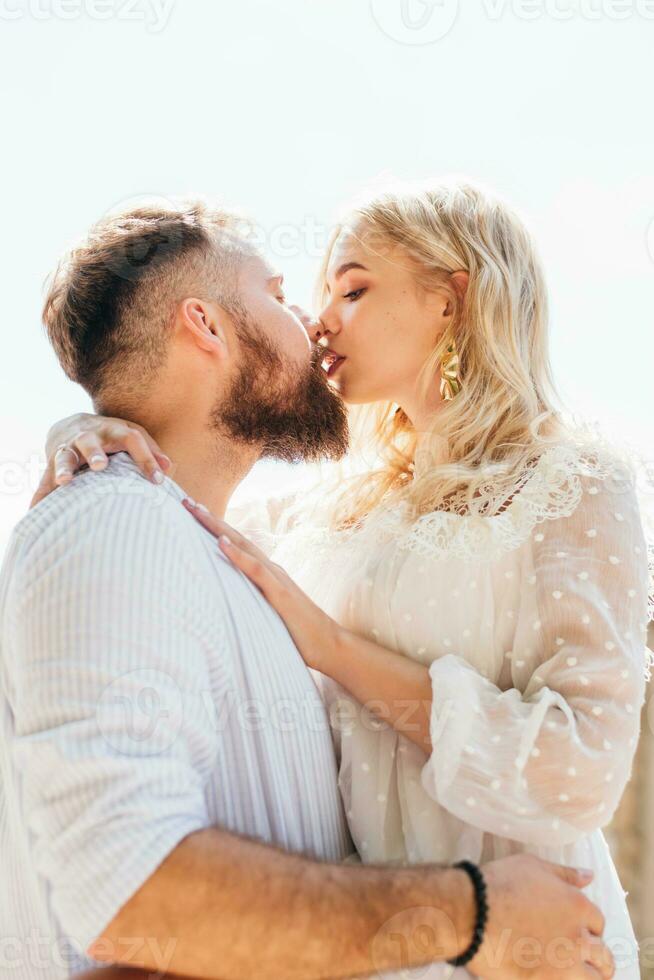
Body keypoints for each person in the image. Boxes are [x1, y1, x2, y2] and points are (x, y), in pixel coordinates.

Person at [39, 181, 654, 977]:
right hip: (372, 938)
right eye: (322, 293)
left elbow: (585, 772)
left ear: (451, 297)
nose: (321, 318)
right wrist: (87, 425)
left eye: (354, 289)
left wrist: (335, 648)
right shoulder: (324, 510)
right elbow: (185, 508)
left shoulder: (574, 485)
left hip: (531, 935)